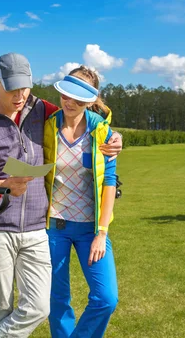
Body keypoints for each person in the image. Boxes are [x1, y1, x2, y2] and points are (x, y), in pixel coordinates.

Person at [0, 53, 122, 338]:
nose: (20, 96)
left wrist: (116, 137)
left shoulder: (61, 118)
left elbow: (106, 172)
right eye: (12, 88)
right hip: (21, 228)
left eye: (25, 88)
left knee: (74, 302)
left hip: (61, 229)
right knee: (22, 307)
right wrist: (2, 184)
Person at [43, 66, 119, 338]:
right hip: (54, 227)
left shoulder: (103, 133)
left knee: (106, 298)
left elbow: (110, 180)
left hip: (91, 229)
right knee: (57, 300)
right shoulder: (48, 125)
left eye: (78, 98)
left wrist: (102, 233)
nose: (70, 103)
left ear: (91, 100)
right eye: (66, 95)